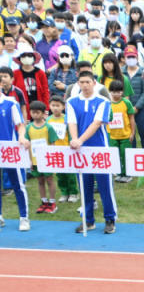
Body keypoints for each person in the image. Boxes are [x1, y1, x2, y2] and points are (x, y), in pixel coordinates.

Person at [67, 70, 117, 234]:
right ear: (78, 84)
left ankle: (110, 219)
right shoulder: (72, 102)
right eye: (82, 82)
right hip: (80, 150)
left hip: (99, 149)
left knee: (105, 186)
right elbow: (72, 123)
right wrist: (75, 140)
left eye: (88, 82)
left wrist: (79, 140)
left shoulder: (103, 101)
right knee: (84, 185)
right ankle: (88, 220)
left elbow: (96, 124)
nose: (85, 85)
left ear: (94, 83)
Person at [0, 92, 31, 230]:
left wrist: (22, 136)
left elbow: (20, 124)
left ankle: (24, 218)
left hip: (10, 150)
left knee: (18, 184)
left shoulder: (11, 103)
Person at [26, 100, 59, 212]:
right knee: (40, 181)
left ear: (43, 113)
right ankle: (44, 202)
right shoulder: (28, 128)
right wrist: (30, 160)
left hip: (47, 159)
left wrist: (52, 158)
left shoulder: (48, 127)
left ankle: (52, 202)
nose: (35, 115)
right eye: (33, 112)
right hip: (35, 160)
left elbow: (53, 143)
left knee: (49, 180)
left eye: (37, 112)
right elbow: (28, 144)